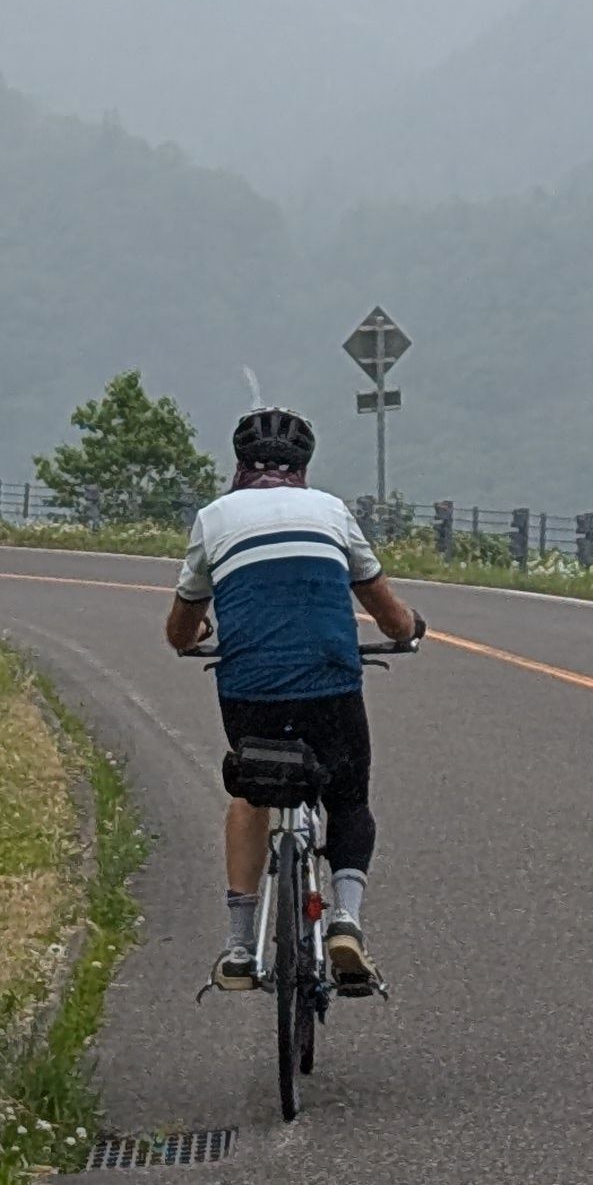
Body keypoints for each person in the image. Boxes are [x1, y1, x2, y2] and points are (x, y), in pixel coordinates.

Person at [164, 405, 422, 996]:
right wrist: (409, 629)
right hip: (330, 684)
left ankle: (237, 944)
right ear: (303, 468)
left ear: (239, 465)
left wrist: (201, 636)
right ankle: (346, 921)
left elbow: (179, 632)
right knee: (349, 796)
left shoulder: (213, 518)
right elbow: (389, 612)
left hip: (249, 690)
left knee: (249, 794)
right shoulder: (332, 512)